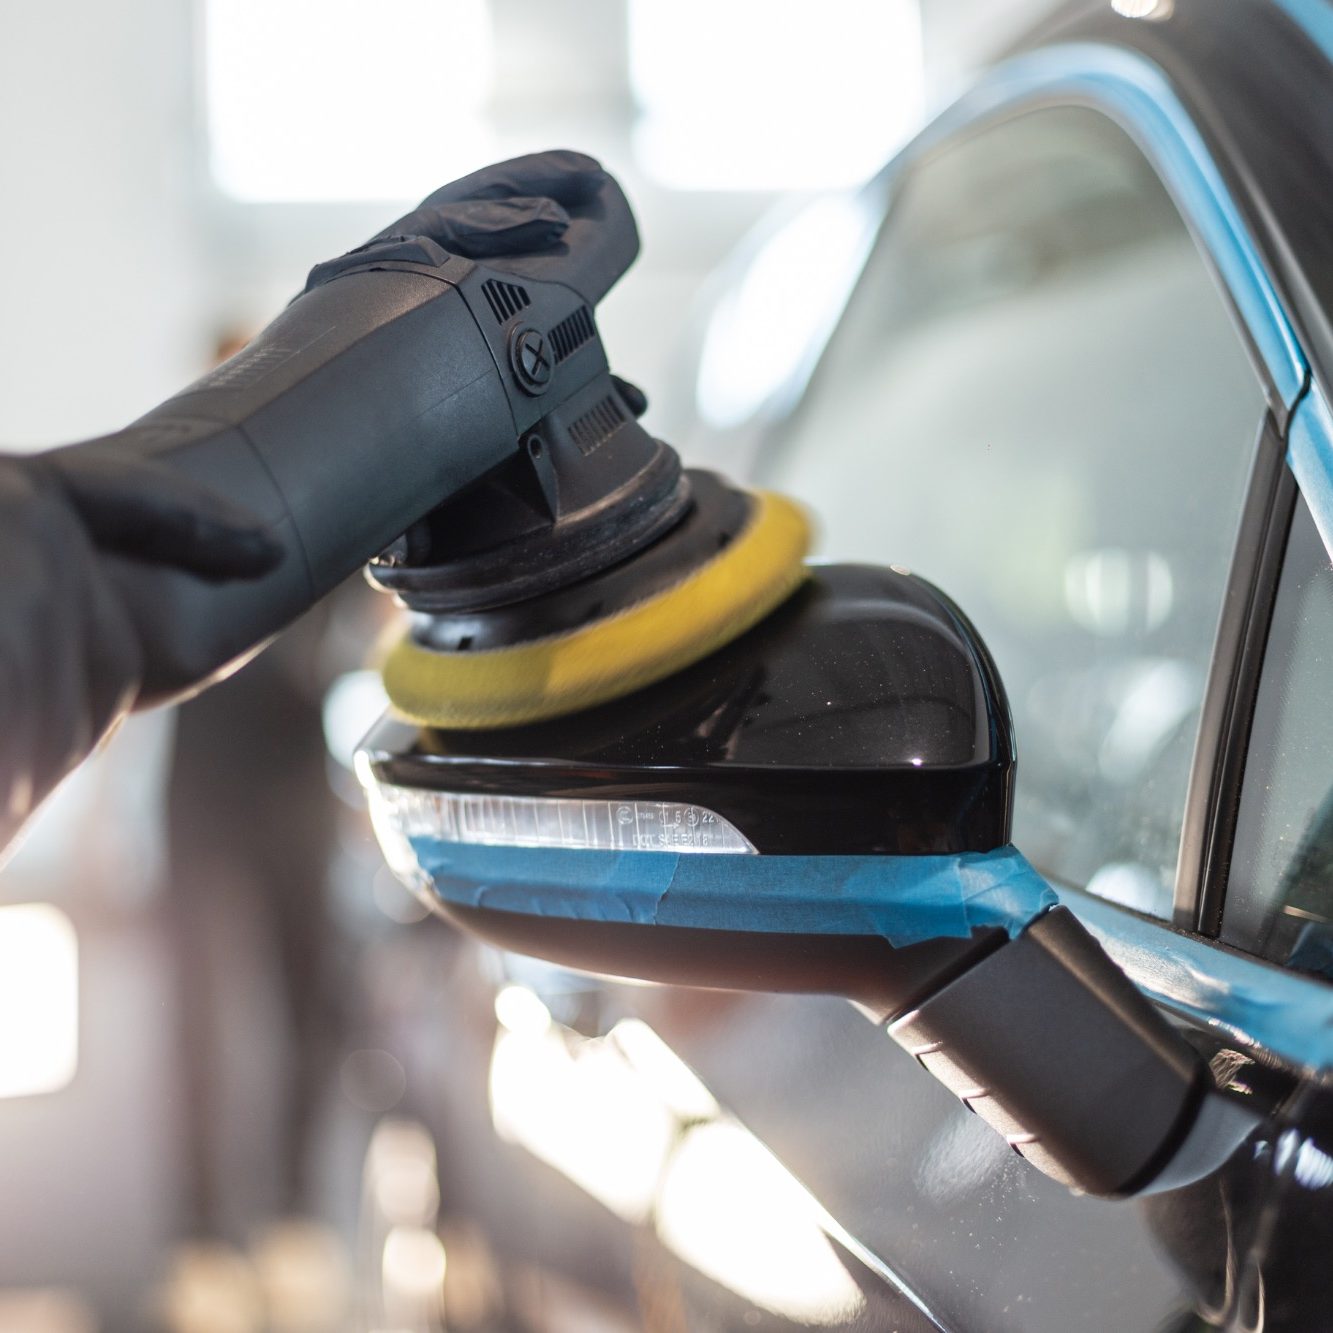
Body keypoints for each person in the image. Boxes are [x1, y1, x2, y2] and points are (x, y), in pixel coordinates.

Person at [0, 149, 625, 859]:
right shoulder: (109, 545)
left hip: (288, 759)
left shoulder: (80, 545)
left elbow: (373, 627)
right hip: (203, 767)